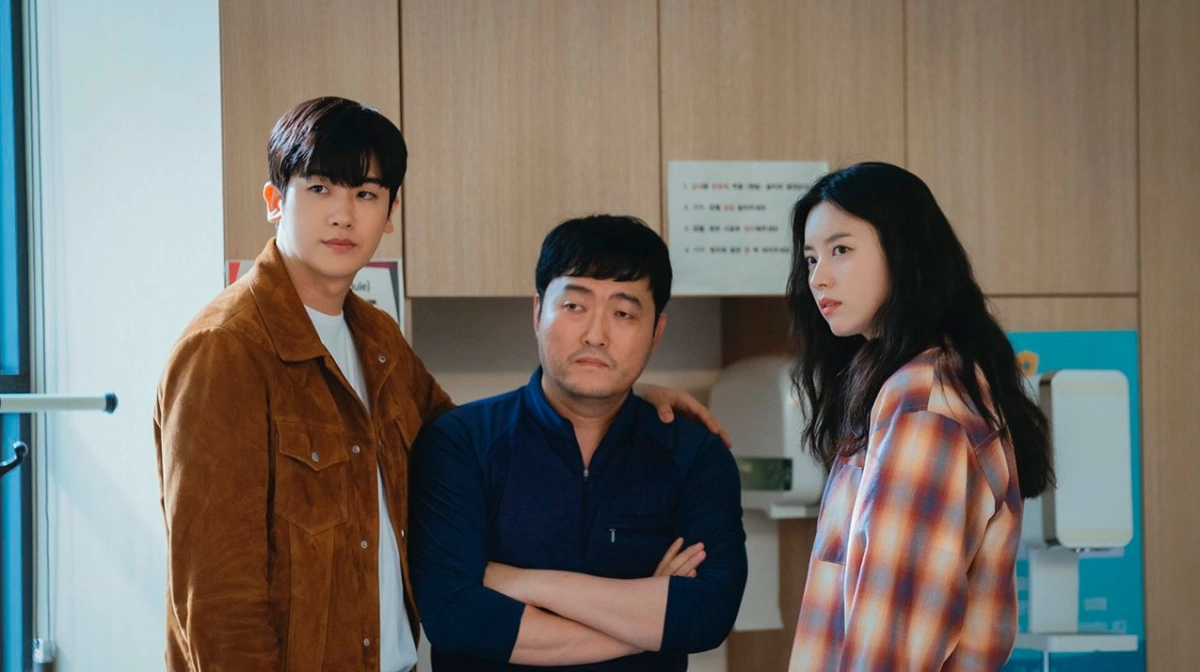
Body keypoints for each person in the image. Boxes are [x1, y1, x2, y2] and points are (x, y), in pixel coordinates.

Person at [154, 97, 721, 672]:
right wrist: (647, 628)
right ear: (276, 201)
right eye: (320, 188)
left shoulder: (375, 336)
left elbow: (464, 443)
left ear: (390, 212)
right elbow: (217, 599)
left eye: (366, 194)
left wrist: (617, 398)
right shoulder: (224, 351)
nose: (344, 215)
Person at [409, 215, 748, 671]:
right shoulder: (461, 443)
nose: (595, 334)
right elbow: (455, 618)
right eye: (574, 306)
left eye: (624, 313)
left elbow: (708, 615)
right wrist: (647, 623)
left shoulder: (694, 454)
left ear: (656, 333)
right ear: (537, 313)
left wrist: (527, 584)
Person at [785, 162, 1054, 671]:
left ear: (903, 250)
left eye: (841, 250)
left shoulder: (924, 402)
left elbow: (891, 640)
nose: (819, 277)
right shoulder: (901, 383)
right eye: (811, 258)